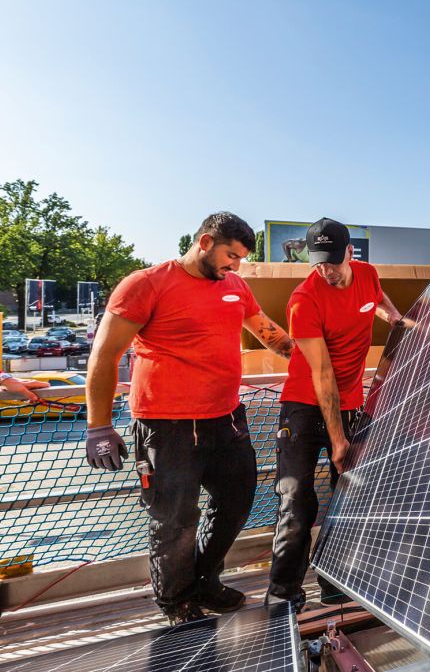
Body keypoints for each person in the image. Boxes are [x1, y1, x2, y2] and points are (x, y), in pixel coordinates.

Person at [85, 212, 295, 625]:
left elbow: (269, 333)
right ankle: (176, 601)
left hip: (227, 419)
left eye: (240, 259)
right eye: (230, 255)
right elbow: (104, 356)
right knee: (175, 520)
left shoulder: (235, 286)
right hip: (166, 427)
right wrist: (98, 426)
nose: (235, 265)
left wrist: (319, 363)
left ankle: (203, 579)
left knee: (237, 504)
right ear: (204, 242)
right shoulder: (145, 284)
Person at [265, 217, 403, 609]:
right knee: (296, 500)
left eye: (332, 261)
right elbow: (321, 373)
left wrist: (394, 318)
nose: (325, 270)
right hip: (305, 405)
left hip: (351, 403)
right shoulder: (303, 300)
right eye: (317, 262)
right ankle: (283, 596)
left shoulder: (367, 274)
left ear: (350, 253)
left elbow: (375, 298)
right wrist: (338, 438)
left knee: (353, 495)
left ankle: (334, 580)